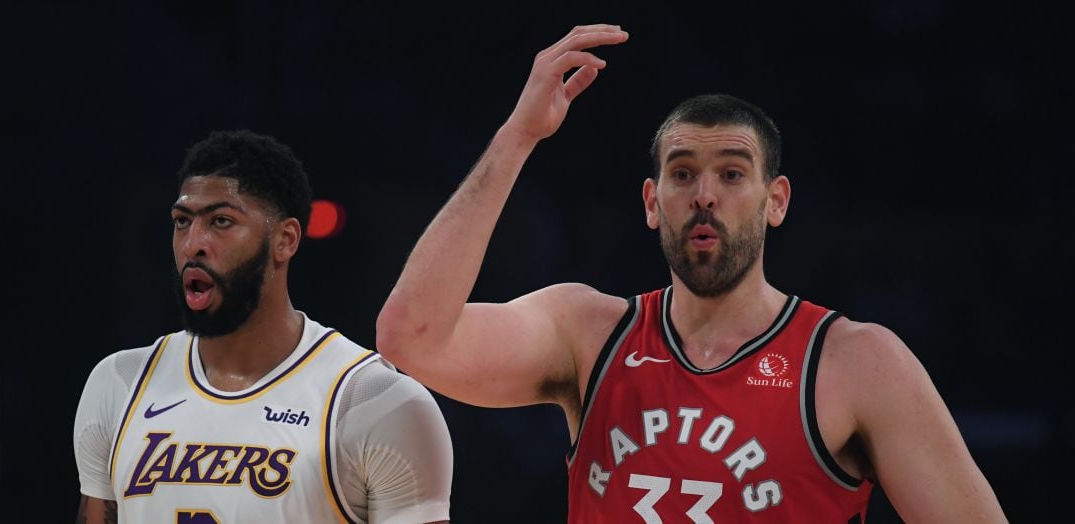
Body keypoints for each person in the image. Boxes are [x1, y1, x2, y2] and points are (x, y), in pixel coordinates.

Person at [375, 24, 1006, 523]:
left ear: (776, 200)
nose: (704, 194)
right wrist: (519, 136)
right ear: (652, 203)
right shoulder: (587, 333)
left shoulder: (857, 362)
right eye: (682, 174)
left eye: (732, 174)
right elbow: (411, 337)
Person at [73, 130, 453, 523]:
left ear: (285, 240)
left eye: (221, 221)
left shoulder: (374, 402)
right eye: (182, 222)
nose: (193, 244)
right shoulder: (118, 383)